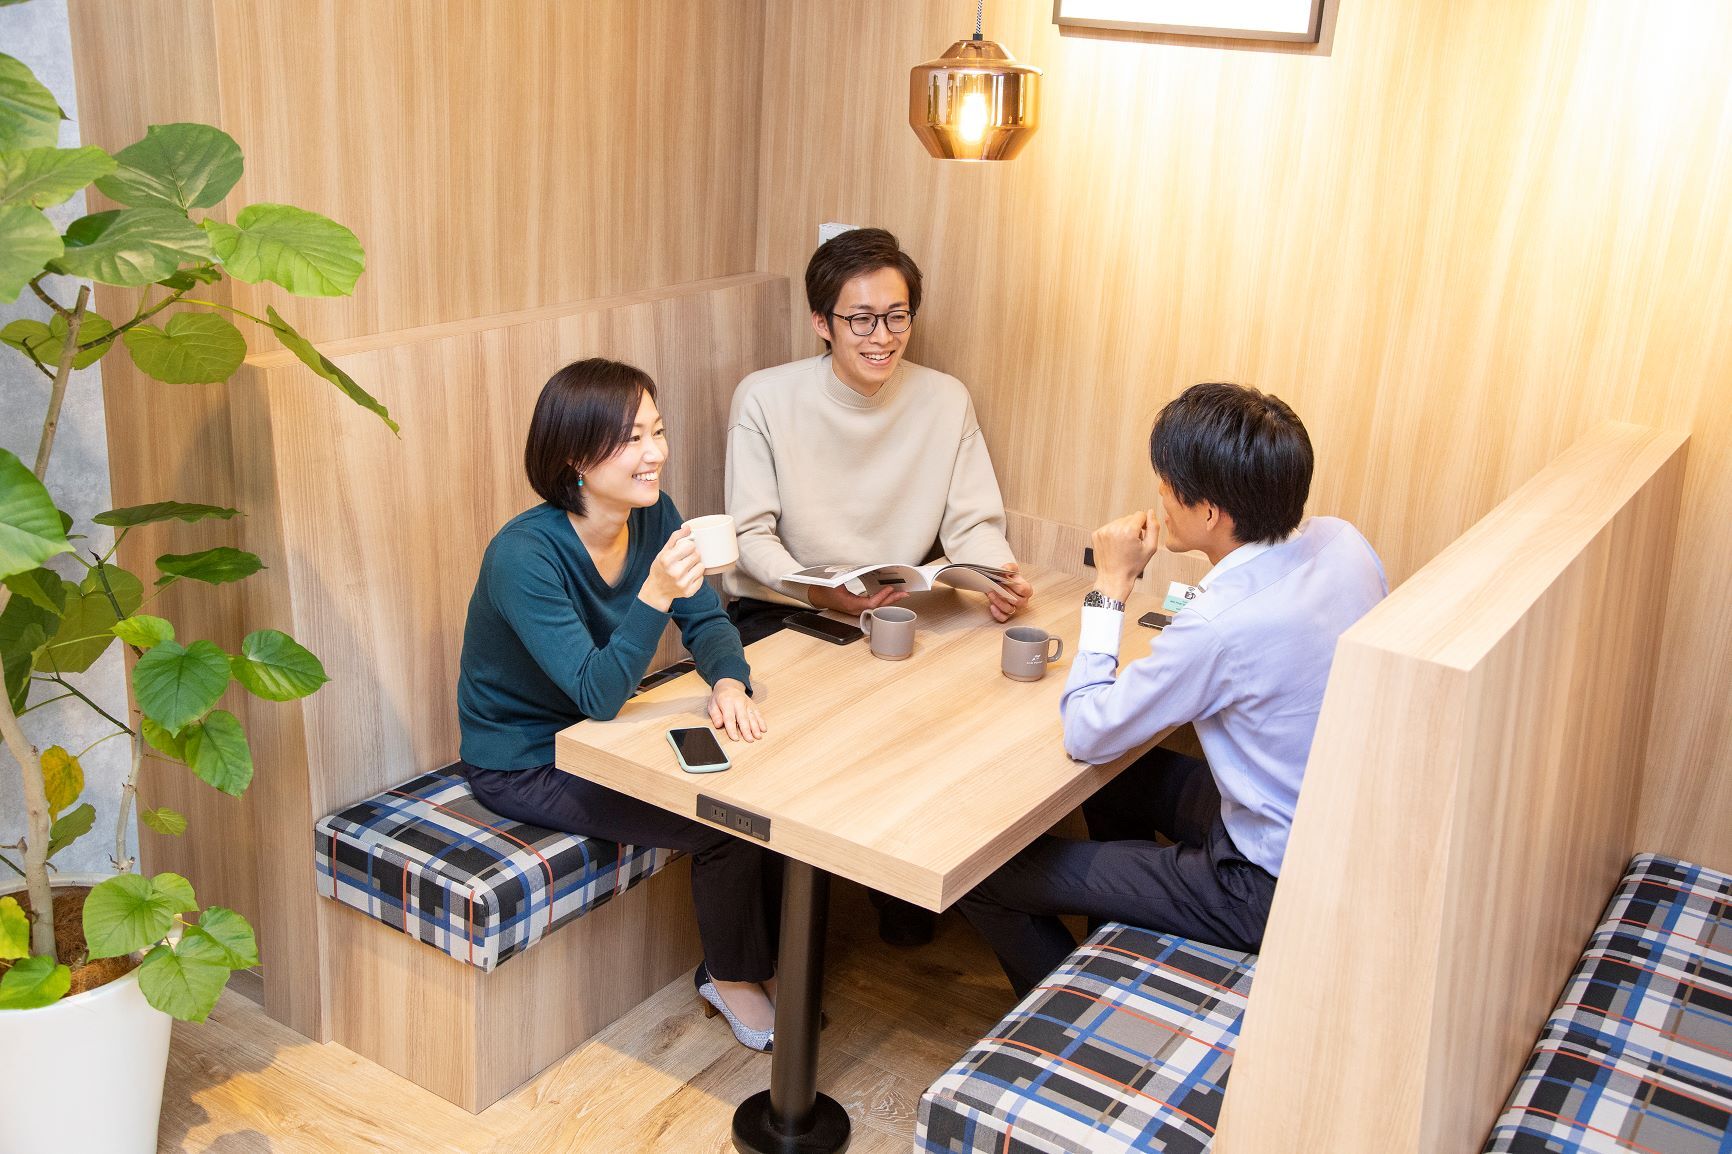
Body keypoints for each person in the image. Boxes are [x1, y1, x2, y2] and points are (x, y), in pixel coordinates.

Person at [958, 382, 1389, 998]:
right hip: (1328, 826)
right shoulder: (1344, 541)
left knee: (983, 877)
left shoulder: (1220, 624)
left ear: (1209, 513)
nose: (1159, 495)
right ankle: (1117, 935)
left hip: (1265, 885)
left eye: (1166, 484)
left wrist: (1111, 585)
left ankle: (1078, 1006)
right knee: (1122, 776)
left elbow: (1087, 730)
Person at [456, 358, 780, 1051]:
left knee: (767, 783)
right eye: (631, 438)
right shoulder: (524, 556)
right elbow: (598, 694)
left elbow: (707, 620)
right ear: (575, 456)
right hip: (526, 759)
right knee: (726, 822)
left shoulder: (653, 512)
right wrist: (655, 592)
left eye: (656, 431)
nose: (654, 452)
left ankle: (761, 957)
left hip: (604, 736)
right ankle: (729, 975)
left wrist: (728, 679)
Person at [723, 226, 1034, 946]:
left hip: (895, 608)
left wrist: (997, 576)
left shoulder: (945, 399)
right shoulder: (765, 398)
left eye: (897, 316)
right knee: (787, 754)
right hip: (785, 612)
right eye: (861, 319)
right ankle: (760, 954)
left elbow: (973, 523)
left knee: (946, 725)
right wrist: (819, 591)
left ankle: (904, 907)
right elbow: (750, 537)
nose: (882, 337)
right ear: (821, 322)